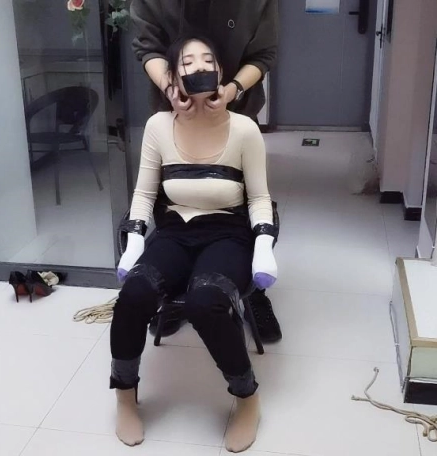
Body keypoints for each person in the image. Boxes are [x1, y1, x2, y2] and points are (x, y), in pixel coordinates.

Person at [111, 36, 278, 453]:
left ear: (220, 73)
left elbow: (259, 198)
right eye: (187, 62)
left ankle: (247, 399)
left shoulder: (244, 128)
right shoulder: (158, 126)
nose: (199, 66)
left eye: (208, 59)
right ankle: (125, 396)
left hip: (228, 232)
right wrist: (134, 242)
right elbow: (144, 194)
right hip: (174, 231)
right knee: (133, 295)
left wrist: (263, 247)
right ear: (172, 76)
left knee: (206, 302)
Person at [130, 0, 283, 343]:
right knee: (173, 195)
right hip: (175, 110)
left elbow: (264, 54)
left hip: (233, 108)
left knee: (243, 197)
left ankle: (252, 290)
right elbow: (147, 45)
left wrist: (233, 89)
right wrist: (170, 87)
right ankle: (175, 282)